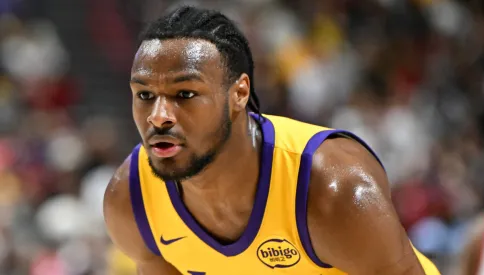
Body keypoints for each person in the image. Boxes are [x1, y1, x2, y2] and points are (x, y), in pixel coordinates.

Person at [103, 5, 440, 275]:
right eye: (145, 94)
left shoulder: (333, 189)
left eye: (185, 93)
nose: (158, 116)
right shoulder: (131, 201)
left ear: (239, 94)